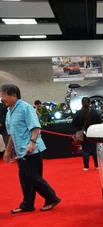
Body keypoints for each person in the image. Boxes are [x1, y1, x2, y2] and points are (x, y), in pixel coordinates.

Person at [1, 84, 61, 214]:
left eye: (4, 95)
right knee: (24, 178)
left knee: (32, 176)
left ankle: (52, 198)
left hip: (32, 149)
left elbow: (35, 127)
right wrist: (7, 150)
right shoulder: (9, 112)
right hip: (20, 151)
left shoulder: (25, 108)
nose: (2, 98)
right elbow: (11, 134)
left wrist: (32, 143)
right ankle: (27, 204)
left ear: (14, 95)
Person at [72, 97, 102, 171]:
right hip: (93, 133)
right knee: (94, 150)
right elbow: (100, 122)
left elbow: (73, 124)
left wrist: (80, 127)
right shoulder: (94, 112)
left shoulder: (78, 113)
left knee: (85, 150)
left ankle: (86, 167)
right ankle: (97, 166)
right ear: (89, 103)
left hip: (83, 134)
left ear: (82, 103)